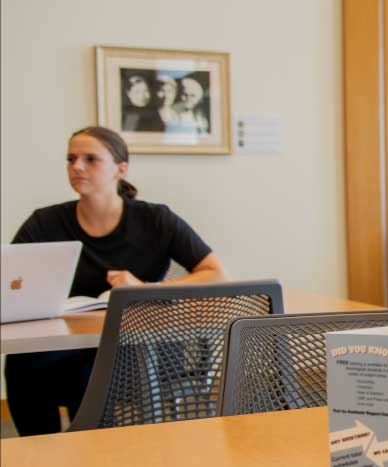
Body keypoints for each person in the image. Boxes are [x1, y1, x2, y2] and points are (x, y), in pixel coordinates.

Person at [5, 126, 227, 436]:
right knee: (21, 366)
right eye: (71, 159)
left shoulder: (156, 220)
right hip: (68, 342)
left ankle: (93, 449)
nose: (77, 167)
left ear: (120, 170)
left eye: (90, 159)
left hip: (140, 344)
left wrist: (146, 289)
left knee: (91, 368)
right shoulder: (44, 222)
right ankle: (41, 451)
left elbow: (214, 273)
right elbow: (11, 280)